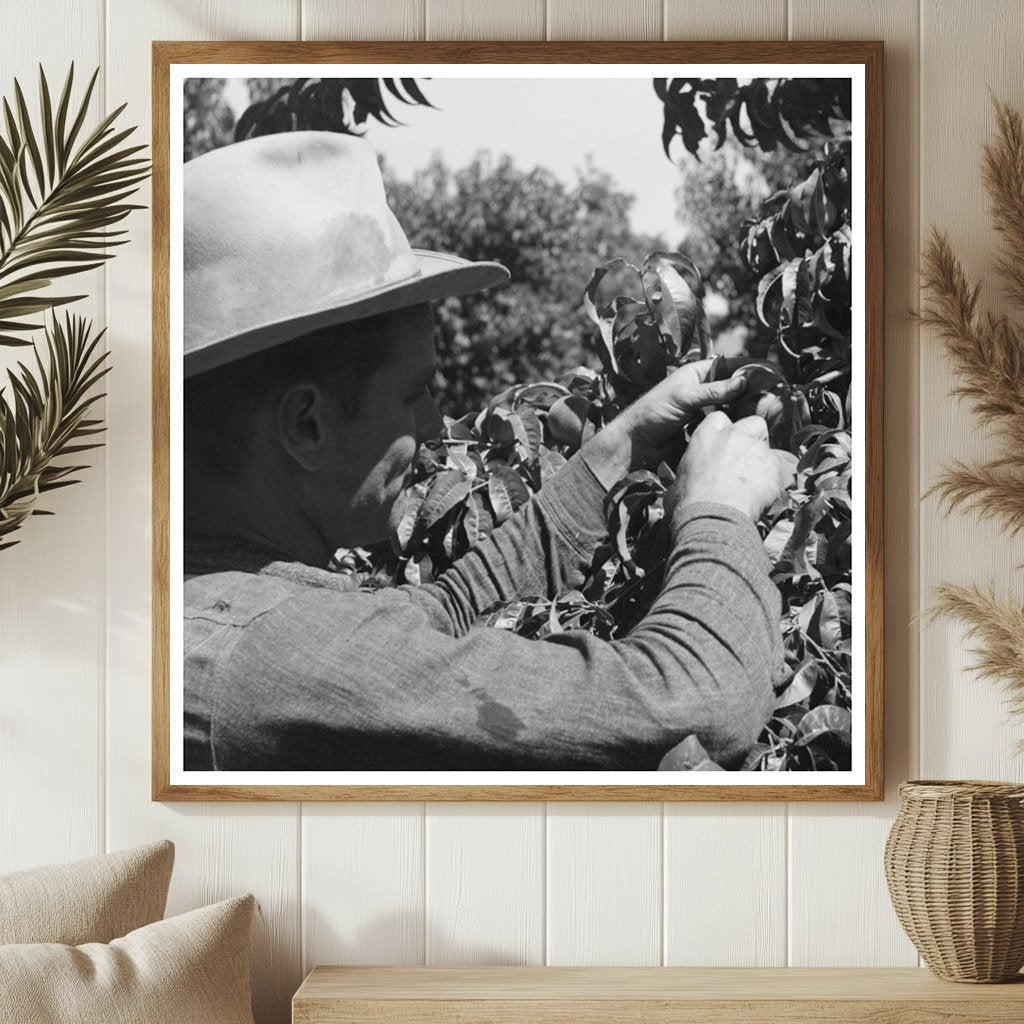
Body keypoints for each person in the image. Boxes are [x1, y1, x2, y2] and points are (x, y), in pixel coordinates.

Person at [182, 130, 794, 772]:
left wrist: (626, 442)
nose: (435, 425)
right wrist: (719, 509)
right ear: (307, 425)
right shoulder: (270, 665)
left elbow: (440, 614)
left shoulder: (213, 604)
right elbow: (692, 703)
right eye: (415, 393)